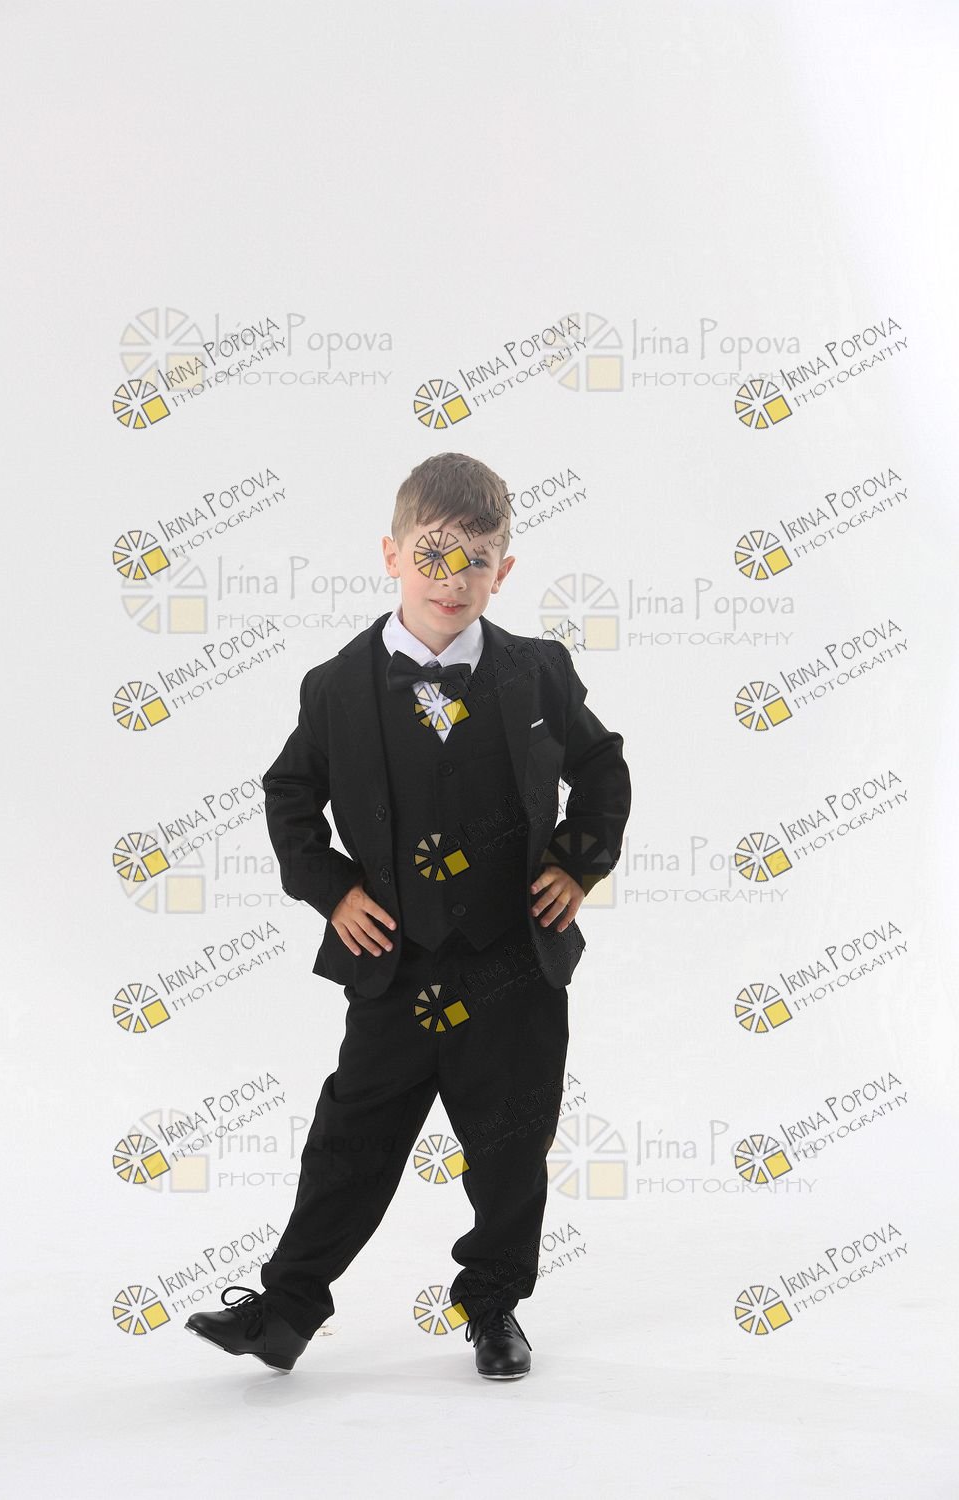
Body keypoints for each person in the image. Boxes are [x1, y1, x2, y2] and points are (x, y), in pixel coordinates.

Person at [186, 451, 631, 1378]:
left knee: (511, 1143)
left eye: (476, 559)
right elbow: (289, 795)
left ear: (504, 570)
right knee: (350, 1137)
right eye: (432, 554)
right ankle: (287, 1311)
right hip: (397, 961)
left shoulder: (538, 672)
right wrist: (333, 889)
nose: (452, 579)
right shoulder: (336, 686)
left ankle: (494, 1307)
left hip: (512, 961)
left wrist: (577, 864)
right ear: (391, 555)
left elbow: (602, 768)